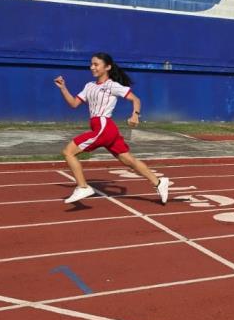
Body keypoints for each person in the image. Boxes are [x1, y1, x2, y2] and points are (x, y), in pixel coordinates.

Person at [54, 52, 170, 205]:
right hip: (106, 129)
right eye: (91, 64)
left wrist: (135, 115)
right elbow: (74, 104)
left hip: (103, 126)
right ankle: (159, 182)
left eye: (96, 64)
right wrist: (63, 88)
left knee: (68, 152)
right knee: (129, 160)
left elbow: (136, 100)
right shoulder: (89, 86)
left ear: (107, 67)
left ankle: (83, 186)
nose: (92, 67)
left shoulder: (112, 86)